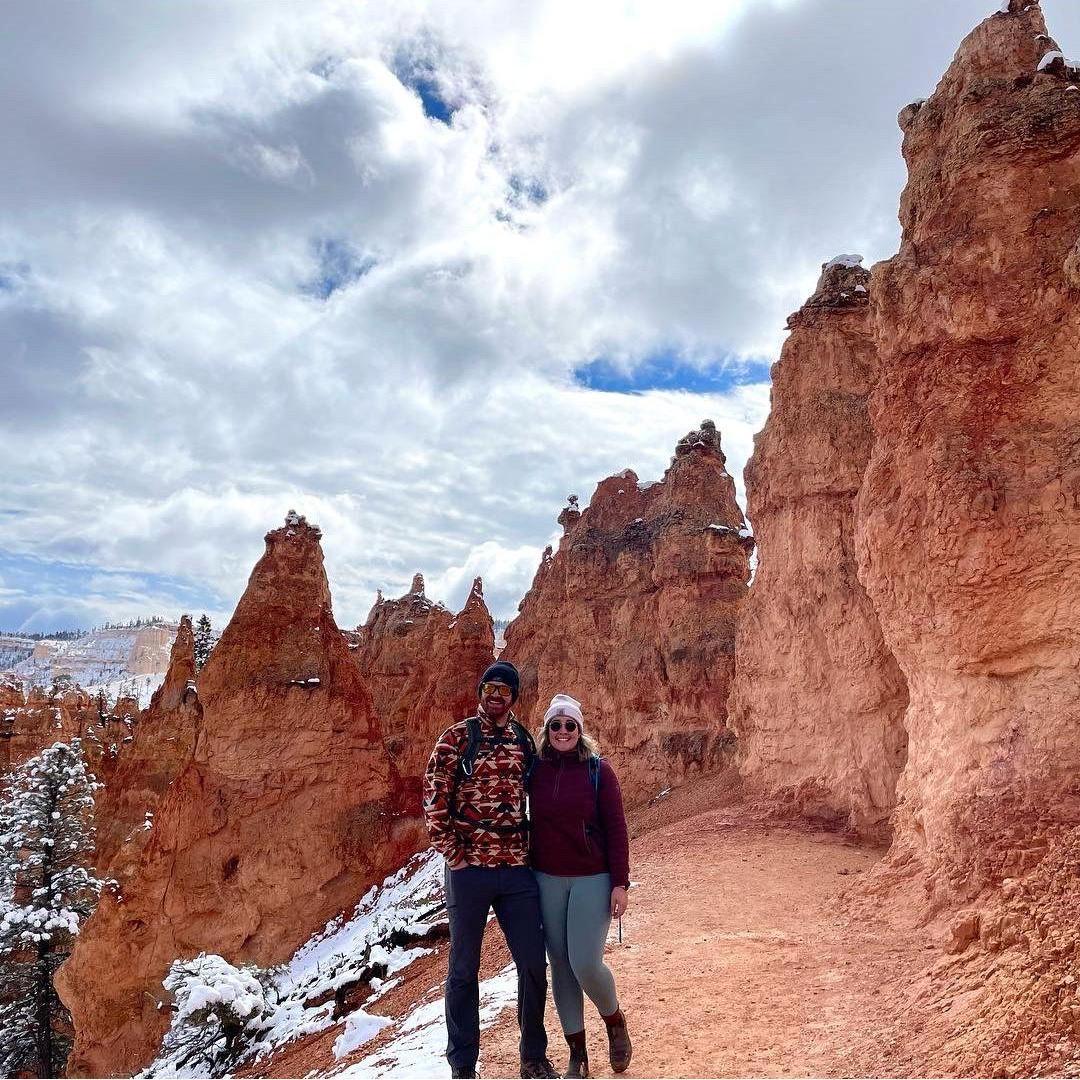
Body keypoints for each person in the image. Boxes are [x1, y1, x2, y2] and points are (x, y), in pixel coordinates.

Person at [424, 660, 559, 1080]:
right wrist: (454, 854)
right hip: (469, 872)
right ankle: (463, 1065)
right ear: (481, 691)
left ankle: (533, 1057)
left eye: (504, 689)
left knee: (534, 964)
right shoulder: (456, 738)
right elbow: (433, 800)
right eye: (490, 687)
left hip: (516, 870)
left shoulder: (523, 741)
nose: (496, 694)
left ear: (514, 697)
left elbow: (545, 793)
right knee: (464, 969)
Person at [529, 693, 632, 1078]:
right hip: (547, 879)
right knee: (561, 966)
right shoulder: (535, 771)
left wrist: (619, 883)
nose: (562, 732)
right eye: (555, 725)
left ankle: (614, 1021)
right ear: (547, 730)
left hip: (593, 878)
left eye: (570, 725)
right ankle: (578, 1054)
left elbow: (617, 829)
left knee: (585, 963)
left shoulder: (598, 772)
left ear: (580, 730)